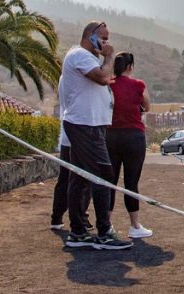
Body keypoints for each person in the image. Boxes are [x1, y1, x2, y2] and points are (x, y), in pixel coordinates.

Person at [61, 21, 132, 250]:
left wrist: (105, 62)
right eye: (103, 38)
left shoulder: (87, 57)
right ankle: (104, 232)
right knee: (103, 174)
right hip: (85, 125)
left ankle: (78, 231)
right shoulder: (80, 55)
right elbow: (103, 78)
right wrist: (109, 58)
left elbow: (103, 77)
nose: (106, 43)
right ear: (90, 36)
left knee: (81, 178)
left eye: (108, 38)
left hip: (90, 124)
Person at [106, 52, 153, 238]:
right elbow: (147, 106)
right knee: (131, 182)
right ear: (129, 67)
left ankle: (107, 223)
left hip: (110, 135)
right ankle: (134, 225)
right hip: (133, 136)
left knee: (109, 181)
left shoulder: (108, 84)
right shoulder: (138, 85)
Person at [50, 73, 92, 231]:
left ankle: (57, 217)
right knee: (84, 181)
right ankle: (80, 219)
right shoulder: (80, 78)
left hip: (67, 136)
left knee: (65, 179)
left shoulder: (64, 78)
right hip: (78, 135)